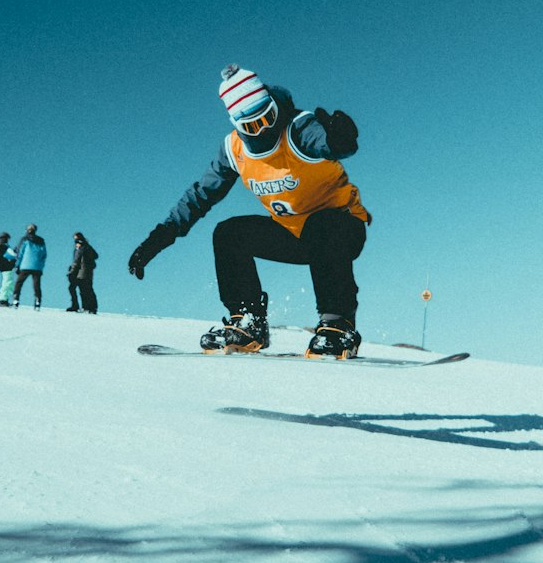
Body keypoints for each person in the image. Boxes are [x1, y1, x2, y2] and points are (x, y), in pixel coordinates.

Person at [128, 64, 370, 357]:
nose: (264, 129)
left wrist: (339, 141)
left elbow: (326, 143)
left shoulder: (297, 128)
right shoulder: (234, 150)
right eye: (252, 126)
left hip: (341, 229)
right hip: (293, 235)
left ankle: (338, 325)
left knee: (322, 225)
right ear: (237, 124)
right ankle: (248, 322)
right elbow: (200, 195)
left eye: (267, 118)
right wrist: (159, 237)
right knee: (229, 233)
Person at [13, 224, 47, 309]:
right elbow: (44, 255)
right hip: (37, 267)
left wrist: (17, 265)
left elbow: (20, 253)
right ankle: (37, 301)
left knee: (19, 283)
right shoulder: (41, 241)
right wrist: (41, 266)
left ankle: (16, 299)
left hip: (25, 265)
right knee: (36, 285)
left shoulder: (24, 240)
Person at [67, 232, 99, 314]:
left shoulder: (80, 249)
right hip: (87, 272)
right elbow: (95, 256)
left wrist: (71, 271)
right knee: (87, 290)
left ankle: (81, 306)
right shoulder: (88, 247)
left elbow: (76, 262)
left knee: (80, 289)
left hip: (80, 272)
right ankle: (91, 307)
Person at [0, 232, 17, 305]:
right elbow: (12, 256)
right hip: (6, 267)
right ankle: (3, 299)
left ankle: (4, 298)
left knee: (8, 283)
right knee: (7, 283)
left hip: (3, 267)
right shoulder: (3, 247)